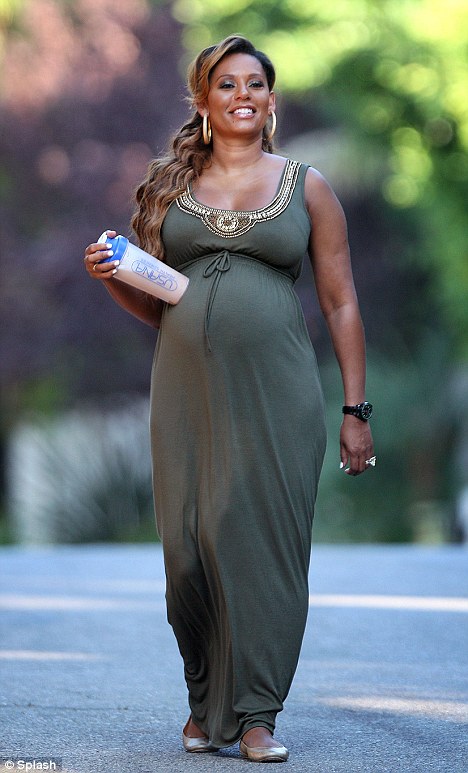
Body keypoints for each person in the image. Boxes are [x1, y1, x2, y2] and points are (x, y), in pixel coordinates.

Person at [84, 35, 374, 763]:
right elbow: (158, 304)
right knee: (188, 551)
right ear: (203, 100)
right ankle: (203, 697)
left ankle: (255, 715)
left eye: (255, 83)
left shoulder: (307, 186)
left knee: (259, 548)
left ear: (271, 101)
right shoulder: (170, 187)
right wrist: (113, 277)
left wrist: (355, 410)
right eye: (226, 84)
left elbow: (341, 303)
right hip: (185, 393)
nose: (242, 94)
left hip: (278, 393)